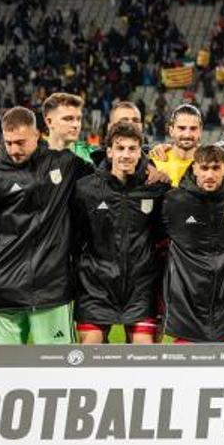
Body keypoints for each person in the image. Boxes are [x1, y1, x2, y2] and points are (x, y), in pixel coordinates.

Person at [0, 106, 92, 345]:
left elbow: (106, 175)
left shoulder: (64, 164)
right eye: (8, 143)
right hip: (2, 289)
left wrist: (148, 165)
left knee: (56, 366)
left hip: (51, 289)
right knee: (0, 368)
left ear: (37, 135)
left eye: (20, 142)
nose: (13, 150)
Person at [70, 122, 169, 344]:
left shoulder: (156, 189)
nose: (126, 154)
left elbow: (162, 234)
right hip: (95, 286)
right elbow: (75, 236)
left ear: (140, 151)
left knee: (144, 357)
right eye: (120, 148)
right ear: (109, 151)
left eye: (132, 149)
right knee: (91, 352)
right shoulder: (86, 189)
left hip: (140, 287)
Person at [162, 145, 224, 343]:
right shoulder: (174, 200)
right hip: (187, 294)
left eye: (215, 168)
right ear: (194, 168)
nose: (210, 174)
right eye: (204, 168)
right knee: (185, 364)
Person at [151, 104, 202, 186]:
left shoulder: (210, 163)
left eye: (193, 128)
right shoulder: (155, 159)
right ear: (171, 130)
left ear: (200, 131)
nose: (187, 134)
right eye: (181, 128)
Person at [43, 92, 96, 162]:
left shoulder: (92, 155)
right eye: (68, 119)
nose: (76, 125)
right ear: (49, 122)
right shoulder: (33, 156)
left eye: (79, 119)